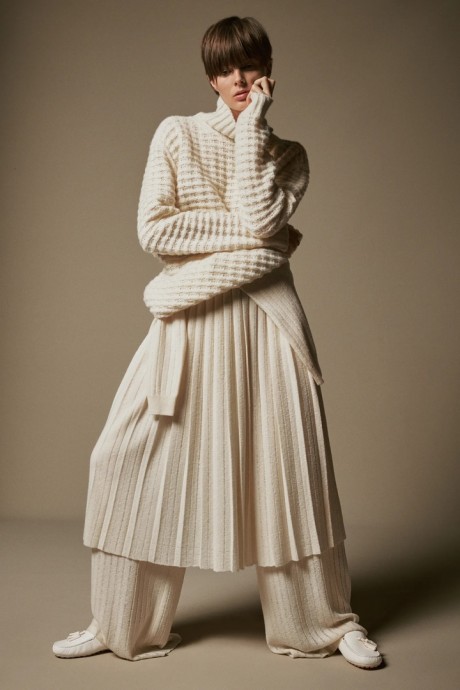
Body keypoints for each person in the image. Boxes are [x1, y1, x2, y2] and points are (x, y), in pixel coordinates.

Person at [52, 16, 382, 669]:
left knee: (287, 476)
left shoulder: (287, 155)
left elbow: (260, 215)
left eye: (250, 66)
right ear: (210, 76)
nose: (239, 79)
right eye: (227, 69)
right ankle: (120, 622)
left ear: (267, 72)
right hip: (189, 320)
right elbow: (156, 232)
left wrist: (253, 132)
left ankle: (324, 623)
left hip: (268, 322)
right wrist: (257, 242)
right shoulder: (175, 134)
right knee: (123, 460)